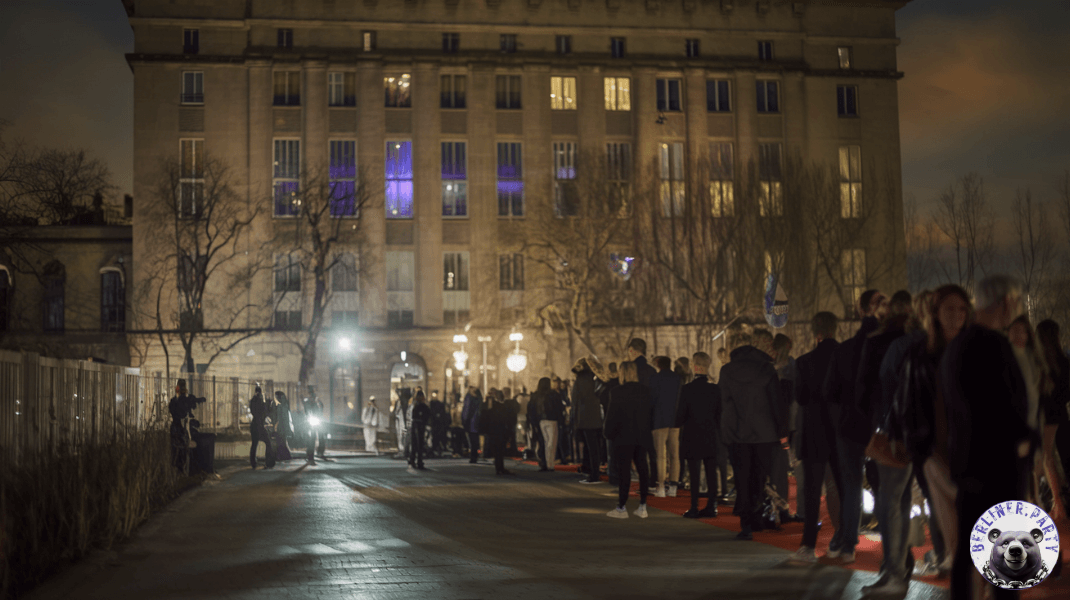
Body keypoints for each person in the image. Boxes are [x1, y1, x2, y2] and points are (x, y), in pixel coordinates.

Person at [940, 275, 1033, 600]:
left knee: (967, 551)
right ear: (1006, 302)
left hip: (967, 464)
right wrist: (1025, 440)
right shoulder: (995, 346)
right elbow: (1006, 407)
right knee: (1007, 556)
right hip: (998, 467)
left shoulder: (957, 346)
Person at [899, 285, 971, 580]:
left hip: (973, 449)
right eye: (949, 309)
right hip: (933, 449)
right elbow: (908, 401)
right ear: (936, 313)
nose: (956, 315)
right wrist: (918, 448)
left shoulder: (976, 349)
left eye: (962, 309)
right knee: (949, 521)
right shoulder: (920, 353)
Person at [854, 291, 916, 597]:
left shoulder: (881, 341)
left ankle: (893, 571)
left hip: (890, 429)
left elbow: (868, 386)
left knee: (889, 501)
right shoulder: (923, 340)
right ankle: (898, 567)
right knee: (901, 500)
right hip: (920, 428)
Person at [822, 288, 886, 562]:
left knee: (851, 487)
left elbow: (831, 392)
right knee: (885, 488)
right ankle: (893, 551)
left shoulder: (846, 349)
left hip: (850, 425)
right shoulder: (890, 346)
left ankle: (847, 542)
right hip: (881, 426)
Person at [719, 331, 783, 540]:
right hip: (765, 433)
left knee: (742, 478)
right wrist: (782, 431)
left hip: (737, 433)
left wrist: (726, 432)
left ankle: (746, 522)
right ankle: (757, 516)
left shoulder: (727, 371)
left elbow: (724, 403)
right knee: (760, 476)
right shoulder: (766, 369)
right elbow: (775, 402)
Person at [792, 312, 841, 562]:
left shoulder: (804, 362)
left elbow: (800, 397)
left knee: (812, 490)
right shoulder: (846, 358)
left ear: (815, 332)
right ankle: (843, 540)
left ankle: (808, 545)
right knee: (841, 488)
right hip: (841, 432)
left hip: (813, 432)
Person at [604, 361, 654, 519]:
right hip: (642, 435)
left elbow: (612, 415)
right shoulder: (646, 391)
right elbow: (651, 413)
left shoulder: (617, 391)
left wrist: (608, 433)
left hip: (623, 435)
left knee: (624, 472)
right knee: (642, 468)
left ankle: (622, 507)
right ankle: (643, 505)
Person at [675, 351, 721, 518]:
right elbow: (719, 415)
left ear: (694, 366)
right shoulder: (715, 389)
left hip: (692, 434)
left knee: (694, 473)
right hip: (710, 434)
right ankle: (712, 505)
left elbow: (680, 417)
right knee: (711, 472)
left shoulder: (687, 389)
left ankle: (694, 506)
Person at [1036, 319, 1069, 521]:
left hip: (1045, 416)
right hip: (1061, 414)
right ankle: (1061, 501)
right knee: (1064, 455)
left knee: (1048, 459)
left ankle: (1058, 503)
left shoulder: (1039, 363)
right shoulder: (1063, 361)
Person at [770, 332, 800, 523]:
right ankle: (787, 507)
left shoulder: (771, 368)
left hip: (775, 423)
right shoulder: (792, 366)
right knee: (790, 467)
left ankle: (777, 506)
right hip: (791, 421)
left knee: (777, 468)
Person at [649, 356, 682, 497]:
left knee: (661, 456)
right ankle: (673, 487)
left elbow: (652, 399)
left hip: (659, 419)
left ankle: (661, 487)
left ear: (658, 365)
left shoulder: (655, 379)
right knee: (675, 455)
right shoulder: (677, 378)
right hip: (675, 420)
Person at [572, 357, 603, 484]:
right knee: (594, 447)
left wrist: (574, 418)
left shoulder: (579, 380)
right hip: (596, 416)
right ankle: (593, 470)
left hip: (584, 416)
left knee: (589, 447)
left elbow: (575, 400)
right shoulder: (595, 379)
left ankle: (593, 473)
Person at [485, 390, 513, 475]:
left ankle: (499, 468)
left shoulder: (492, 407)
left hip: (493, 431)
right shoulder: (504, 407)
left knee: (497, 450)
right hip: (501, 431)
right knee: (500, 450)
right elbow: (508, 420)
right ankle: (500, 467)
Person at [540, 378, 565, 469]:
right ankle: (550, 464)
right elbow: (559, 408)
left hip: (542, 420)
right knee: (552, 443)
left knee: (546, 443)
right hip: (552, 420)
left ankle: (547, 462)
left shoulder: (539, 395)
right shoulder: (554, 394)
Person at [249, 385, 276, 469]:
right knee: (268, 443)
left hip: (254, 425)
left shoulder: (253, 401)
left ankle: (253, 463)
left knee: (254, 444)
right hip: (260, 426)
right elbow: (265, 412)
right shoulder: (260, 401)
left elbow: (254, 411)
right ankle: (268, 462)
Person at [303, 386, 329, 464]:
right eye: (311, 393)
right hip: (312, 421)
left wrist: (318, 403)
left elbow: (321, 408)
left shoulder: (317, 401)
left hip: (318, 420)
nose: (312, 395)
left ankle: (320, 452)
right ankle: (310, 455)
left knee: (321, 437)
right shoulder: (307, 402)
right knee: (312, 438)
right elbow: (306, 411)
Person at [461, 387, 483, 464]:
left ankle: (473, 457)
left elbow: (467, 410)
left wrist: (464, 420)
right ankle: (474, 456)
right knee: (475, 440)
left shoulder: (470, 398)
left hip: (471, 422)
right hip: (476, 422)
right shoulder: (479, 399)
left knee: (472, 440)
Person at [409, 391, 430, 470]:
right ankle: (418, 461)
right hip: (420, 425)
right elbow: (427, 416)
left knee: (415, 444)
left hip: (416, 425)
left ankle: (413, 459)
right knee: (419, 444)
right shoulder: (423, 406)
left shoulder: (415, 406)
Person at [273, 391, 294, 462]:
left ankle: (284, 456)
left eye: (276, 397)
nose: (275, 398)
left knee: (280, 442)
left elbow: (281, 417)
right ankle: (284, 456)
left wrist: (277, 425)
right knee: (282, 442)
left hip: (282, 427)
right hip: (283, 426)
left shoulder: (281, 406)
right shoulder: (284, 405)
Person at [429, 391, 448, 457]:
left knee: (438, 436)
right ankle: (435, 449)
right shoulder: (431, 404)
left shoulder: (440, 404)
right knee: (434, 437)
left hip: (439, 423)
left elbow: (443, 414)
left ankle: (438, 449)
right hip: (434, 423)